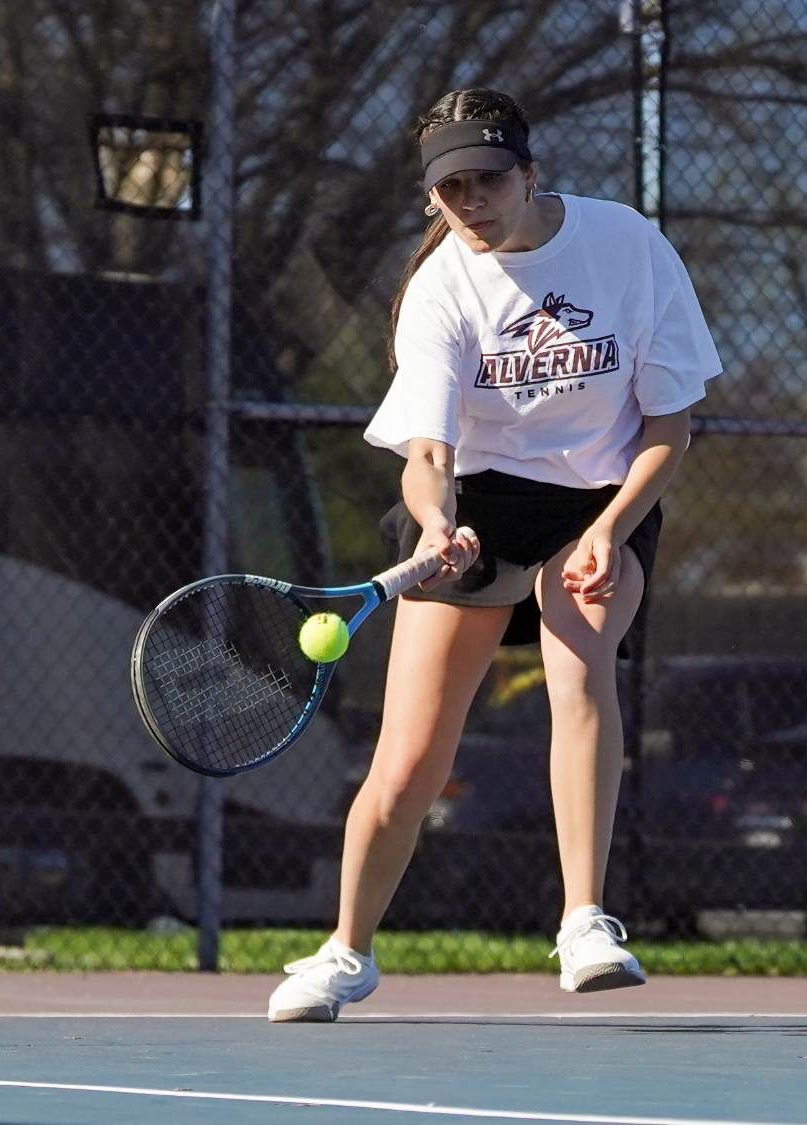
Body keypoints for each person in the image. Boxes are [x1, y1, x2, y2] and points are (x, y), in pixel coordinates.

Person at [267, 87, 721, 1023]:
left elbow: (672, 424)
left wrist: (607, 528)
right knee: (409, 761)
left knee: (579, 667)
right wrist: (435, 525)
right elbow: (426, 454)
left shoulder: (629, 247)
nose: (468, 204)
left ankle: (585, 920)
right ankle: (346, 950)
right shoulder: (439, 288)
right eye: (449, 190)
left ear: (531, 174)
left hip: (600, 498)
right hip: (476, 501)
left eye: (486, 182)